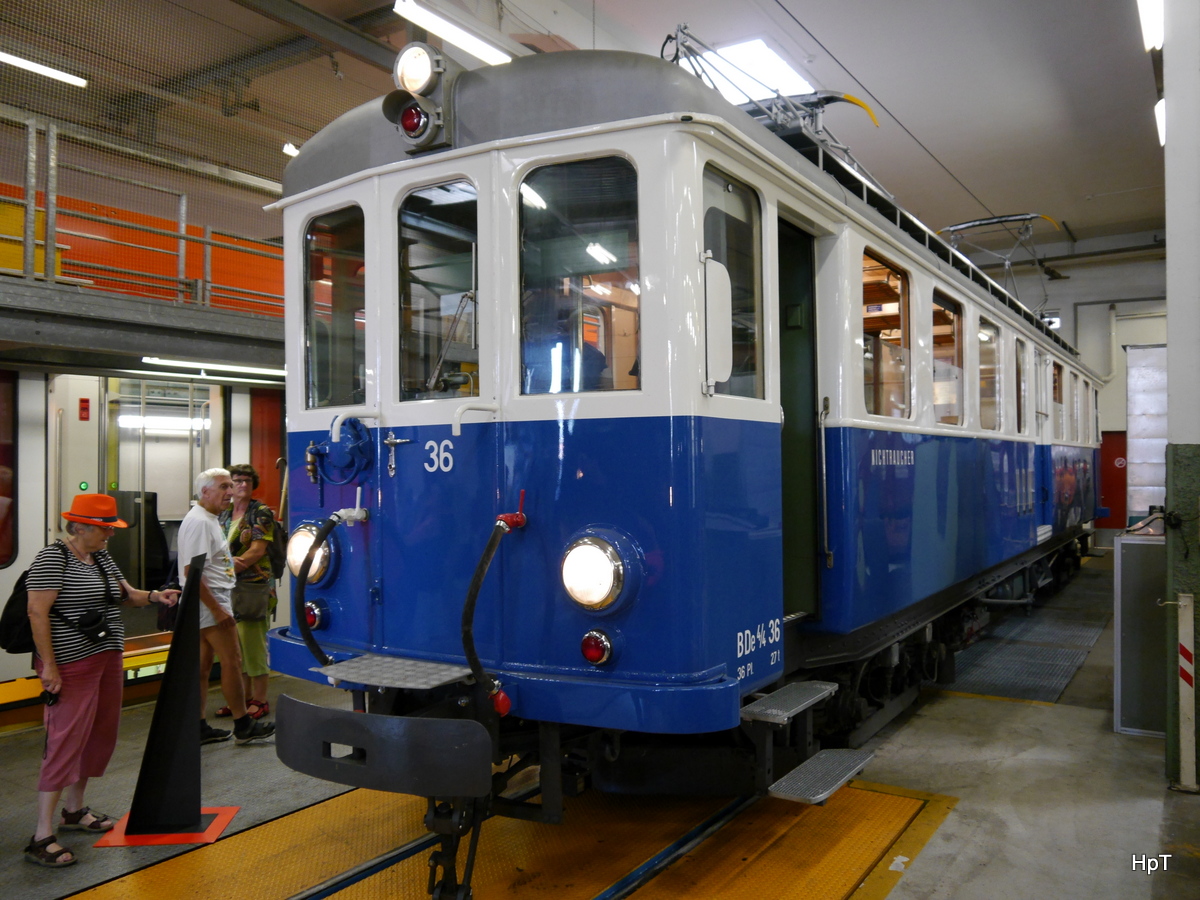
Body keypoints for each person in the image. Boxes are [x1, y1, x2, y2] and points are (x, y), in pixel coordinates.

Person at [24, 494, 180, 868]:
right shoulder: (53, 558)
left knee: (99, 734)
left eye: (111, 528)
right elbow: (36, 612)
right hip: (71, 664)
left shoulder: (101, 558)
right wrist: (49, 666)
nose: (109, 534)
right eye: (104, 528)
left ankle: (74, 810)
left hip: (108, 657)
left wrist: (156, 596)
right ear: (79, 526)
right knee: (64, 740)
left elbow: (124, 596)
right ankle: (42, 834)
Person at [177, 468, 274, 746]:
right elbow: (192, 572)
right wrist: (218, 610)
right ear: (204, 491)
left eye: (231, 486)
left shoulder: (206, 519)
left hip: (206, 600)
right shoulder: (201, 522)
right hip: (211, 600)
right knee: (232, 661)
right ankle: (243, 724)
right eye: (224, 487)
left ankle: (198, 725)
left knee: (203, 667)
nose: (230, 492)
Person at [215, 464, 277, 720]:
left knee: (252, 646)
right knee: (234, 648)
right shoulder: (223, 513)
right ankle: (240, 697)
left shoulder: (260, 512)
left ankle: (260, 700)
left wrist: (226, 567)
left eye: (247, 481)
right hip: (228, 587)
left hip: (253, 587)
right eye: (236, 481)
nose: (241, 485)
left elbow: (257, 550)